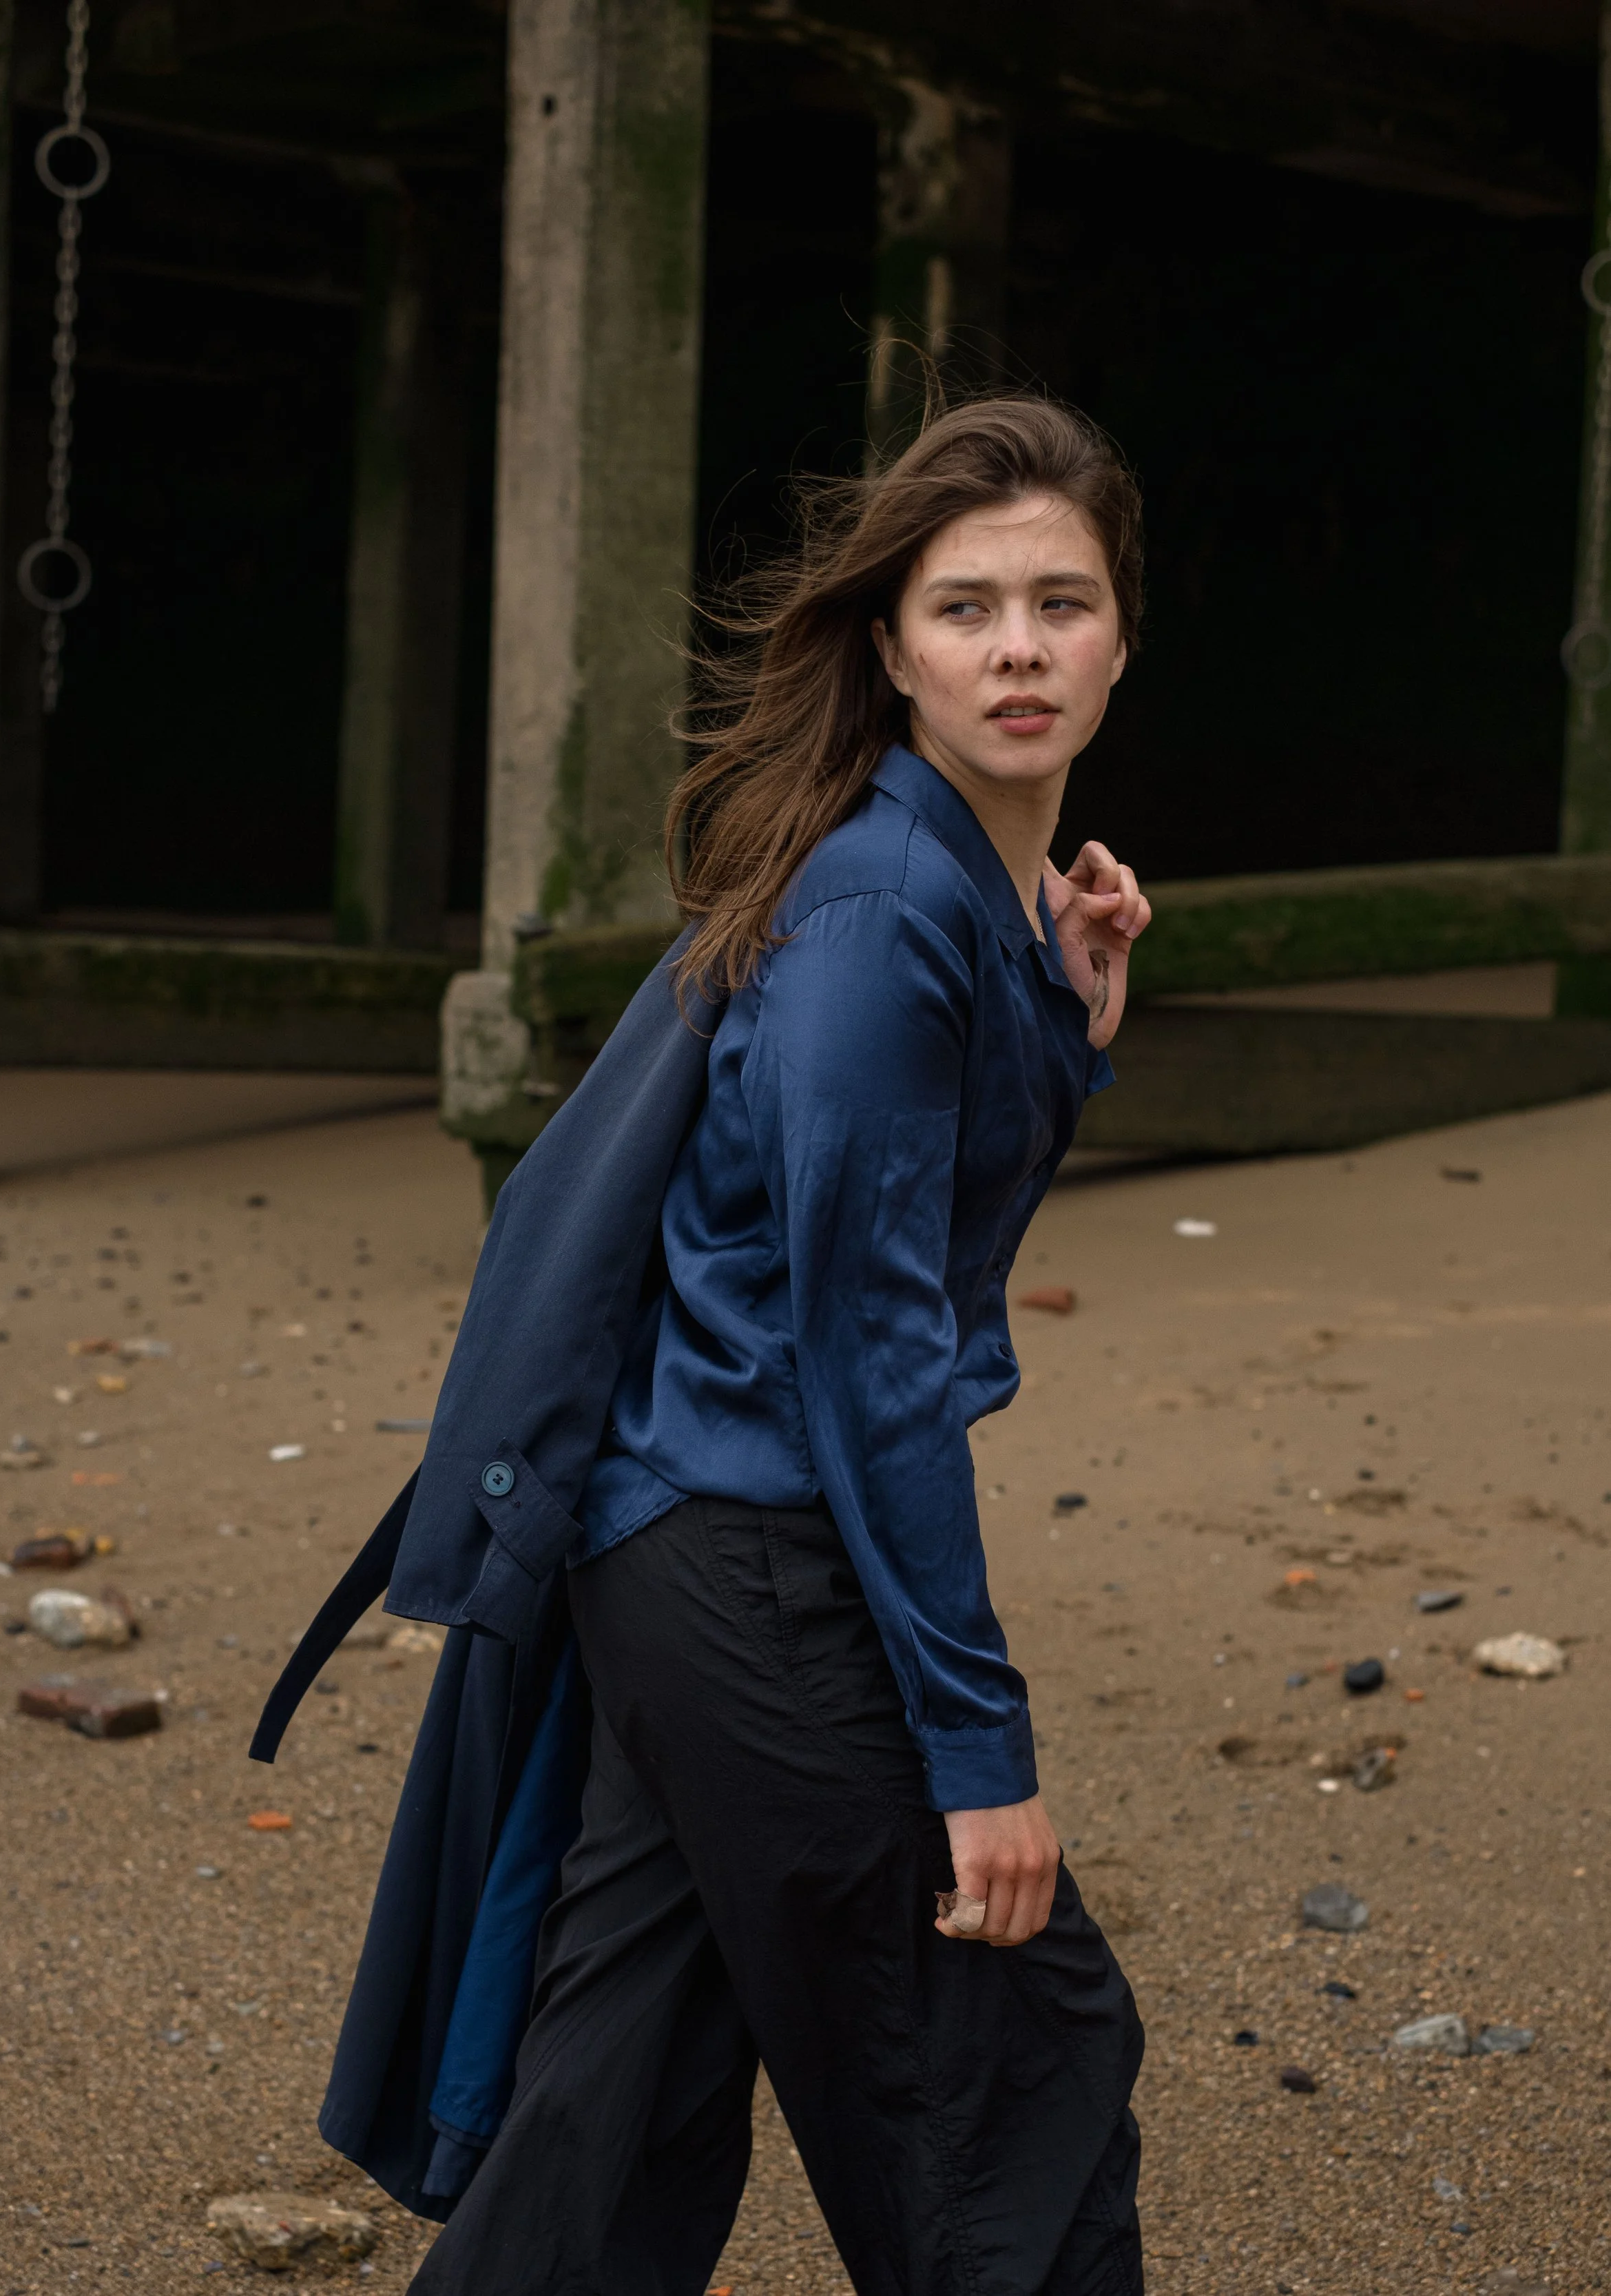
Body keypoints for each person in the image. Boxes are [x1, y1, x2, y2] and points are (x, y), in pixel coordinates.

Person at [404, 394, 1154, 2295]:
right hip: (752, 1562)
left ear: (1119, 635)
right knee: (1010, 2059)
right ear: (892, 645)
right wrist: (975, 1747)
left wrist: (1063, 1024)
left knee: (616, 2101)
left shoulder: (955, 886)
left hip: (679, 1548)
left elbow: (899, 1230)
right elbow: (869, 1353)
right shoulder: (877, 908)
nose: (1013, 645)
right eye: (965, 605)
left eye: (1058, 602)